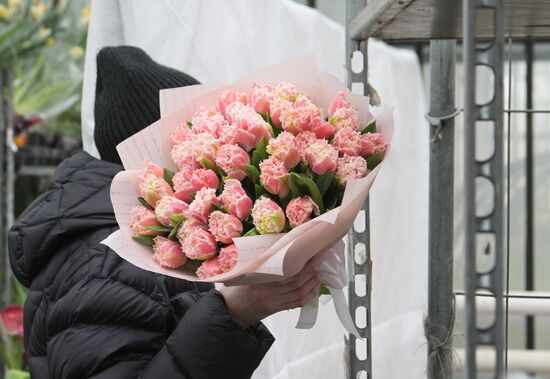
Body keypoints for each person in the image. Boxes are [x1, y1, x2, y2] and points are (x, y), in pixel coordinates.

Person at [8, 46, 321, 379]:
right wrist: (231, 314)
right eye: (201, 137)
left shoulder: (140, 242)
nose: (214, 151)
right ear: (158, 151)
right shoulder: (109, 262)